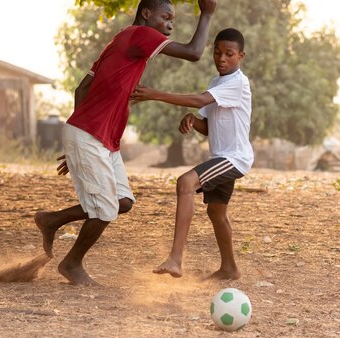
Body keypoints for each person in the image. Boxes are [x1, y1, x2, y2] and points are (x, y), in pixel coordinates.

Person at [34, 0, 218, 286]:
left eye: (173, 20)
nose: (170, 24)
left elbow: (81, 88)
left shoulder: (121, 39)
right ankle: (71, 264)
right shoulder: (140, 34)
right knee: (106, 208)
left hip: (99, 138)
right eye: (165, 17)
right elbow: (194, 53)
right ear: (146, 13)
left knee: (122, 202)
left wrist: (76, 142)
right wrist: (207, 12)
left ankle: (52, 220)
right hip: (90, 135)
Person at [130, 28, 252, 280]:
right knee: (216, 212)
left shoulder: (237, 82)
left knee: (186, 182)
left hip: (234, 158)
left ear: (241, 56)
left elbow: (198, 101)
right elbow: (208, 126)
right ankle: (229, 268)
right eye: (217, 53)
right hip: (222, 156)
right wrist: (192, 121)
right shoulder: (217, 83)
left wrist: (155, 94)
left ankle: (175, 258)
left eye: (229, 54)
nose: (222, 58)